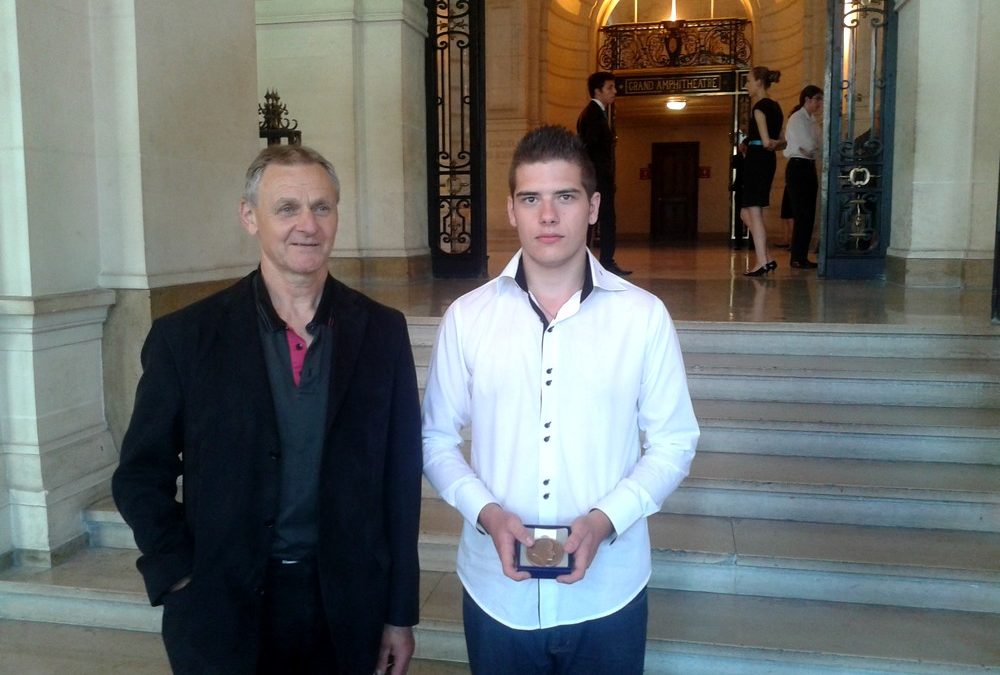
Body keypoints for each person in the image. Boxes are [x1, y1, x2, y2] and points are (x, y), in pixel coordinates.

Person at [111, 145, 423, 675]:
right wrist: (179, 573)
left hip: (345, 608)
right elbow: (141, 474)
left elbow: (400, 483)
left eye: (322, 208)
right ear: (249, 216)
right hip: (222, 608)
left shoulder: (382, 332)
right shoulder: (185, 339)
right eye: (287, 208)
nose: (308, 224)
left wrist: (399, 614)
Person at [422, 125, 700, 674]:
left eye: (565, 197)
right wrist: (489, 515)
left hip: (608, 595)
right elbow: (435, 439)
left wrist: (604, 521)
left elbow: (673, 442)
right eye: (531, 198)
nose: (547, 215)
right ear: (511, 210)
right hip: (497, 595)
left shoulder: (642, 317)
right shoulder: (468, 317)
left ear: (593, 207)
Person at [576, 71, 631, 276]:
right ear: (597, 91)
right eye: (610, 87)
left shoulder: (596, 114)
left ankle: (599, 262)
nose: (614, 91)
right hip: (597, 181)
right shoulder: (592, 115)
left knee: (598, 221)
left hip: (598, 180)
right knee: (602, 221)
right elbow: (588, 150)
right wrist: (595, 181)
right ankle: (603, 263)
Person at [740, 66, 785, 277]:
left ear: (759, 82)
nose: (746, 85)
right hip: (767, 161)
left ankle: (761, 261)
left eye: (748, 80)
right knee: (745, 212)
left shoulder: (758, 107)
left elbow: (766, 141)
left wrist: (756, 142)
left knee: (754, 212)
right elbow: (781, 142)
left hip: (756, 161)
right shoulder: (776, 107)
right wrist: (771, 143)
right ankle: (766, 258)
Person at [782, 84, 824, 269]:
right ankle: (797, 257)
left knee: (809, 214)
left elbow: (818, 144)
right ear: (807, 99)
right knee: (801, 213)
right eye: (817, 99)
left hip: (808, 166)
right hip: (798, 167)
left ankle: (802, 256)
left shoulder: (812, 120)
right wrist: (812, 149)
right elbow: (806, 146)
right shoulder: (797, 119)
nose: (820, 103)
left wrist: (813, 149)